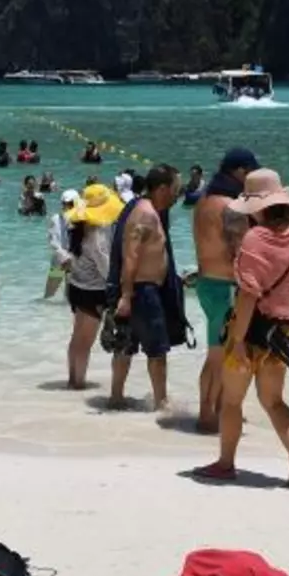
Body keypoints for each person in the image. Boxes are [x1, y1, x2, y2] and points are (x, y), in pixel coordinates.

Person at [201, 170, 289, 489]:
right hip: (283, 332)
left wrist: (238, 340)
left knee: (231, 401)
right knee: (274, 401)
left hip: (252, 330)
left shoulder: (255, 240)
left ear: (258, 207)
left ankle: (226, 464)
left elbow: (248, 296)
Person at [106, 165, 182, 411]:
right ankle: (161, 403)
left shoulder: (148, 211)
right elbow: (131, 256)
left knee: (126, 344)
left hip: (141, 290)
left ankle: (116, 398)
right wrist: (126, 296)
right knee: (156, 351)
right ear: (161, 188)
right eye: (174, 189)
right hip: (142, 291)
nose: (176, 195)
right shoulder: (146, 214)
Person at [194, 148, 258, 434]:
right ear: (240, 172)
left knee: (218, 353)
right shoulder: (232, 206)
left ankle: (216, 409)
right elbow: (241, 250)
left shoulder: (204, 201)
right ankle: (207, 415)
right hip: (225, 287)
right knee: (218, 356)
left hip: (206, 283)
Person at [61, 185, 119, 389]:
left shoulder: (77, 228)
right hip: (92, 292)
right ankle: (78, 384)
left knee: (76, 338)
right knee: (85, 343)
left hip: (76, 287)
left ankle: (72, 379)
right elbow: (105, 269)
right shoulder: (96, 235)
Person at [44, 187, 79, 301]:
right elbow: (53, 242)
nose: (66, 206)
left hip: (74, 261)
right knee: (49, 295)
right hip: (59, 260)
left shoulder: (82, 219)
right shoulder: (56, 218)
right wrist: (65, 257)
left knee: (70, 298)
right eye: (64, 203)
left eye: (70, 203)